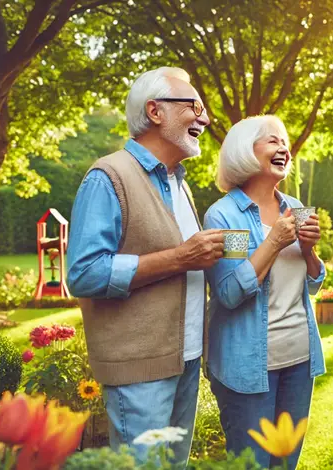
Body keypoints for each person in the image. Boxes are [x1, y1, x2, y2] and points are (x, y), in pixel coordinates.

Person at [67, 67, 222, 465]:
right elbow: (84, 273)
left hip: (184, 359)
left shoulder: (177, 182)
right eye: (195, 107)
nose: (204, 119)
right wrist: (180, 258)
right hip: (138, 369)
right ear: (155, 111)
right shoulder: (108, 176)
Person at [203, 115, 325, 469]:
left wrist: (309, 250)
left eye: (284, 142)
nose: (283, 148)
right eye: (272, 141)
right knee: (252, 464)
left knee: (286, 463)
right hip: (247, 367)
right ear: (244, 151)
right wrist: (273, 242)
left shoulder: (295, 208)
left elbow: (313, 282)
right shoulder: (227, 217)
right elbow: (229, 292)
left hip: (299, 362)